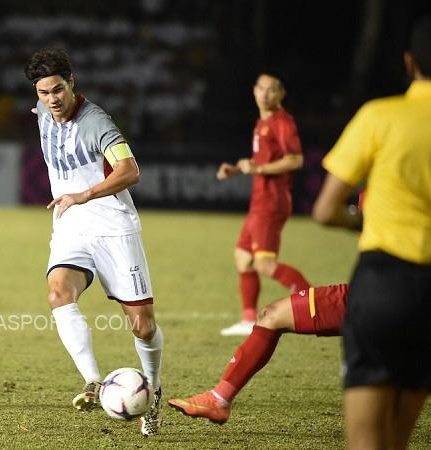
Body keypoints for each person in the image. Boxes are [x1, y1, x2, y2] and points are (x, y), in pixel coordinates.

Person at [24, 48, 164, 436]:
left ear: (72, 83)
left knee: (142, 327)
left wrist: (83, 195)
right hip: (71, 227)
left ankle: (152, 391)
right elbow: (45, 116)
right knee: (58, 294)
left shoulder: (98, 122)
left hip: (114, 229)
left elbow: (129, 171)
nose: (52, 99)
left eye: (58, 89)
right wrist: (73, 204)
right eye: (43, 93)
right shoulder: (44, 116)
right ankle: (92, 381)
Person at [311, 17, 431, 450]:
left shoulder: (381, 116)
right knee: (399, 438)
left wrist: (363, 221)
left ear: (409, 60)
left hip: (385, 283)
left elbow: (325, 210)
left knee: (367, 440)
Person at [167, 284, 349, 424]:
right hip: (367, 288)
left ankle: (219, 399)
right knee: (271, 315)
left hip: (370, 293)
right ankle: (219, 399)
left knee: (272, 315)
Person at [216, 71, 311, 336]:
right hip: (260, 201)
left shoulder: (283, 122)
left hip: (272, 201)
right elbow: (262, 162)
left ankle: (315, 303)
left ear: (281, 94)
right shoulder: (262, 122)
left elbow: (295, 160)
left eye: (271, 90)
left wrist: (257, 168)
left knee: (264, 264)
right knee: (243, 259)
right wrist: (237, 169)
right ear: (254, 90)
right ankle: (248, 321)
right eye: (261, 88)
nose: (265, 94)